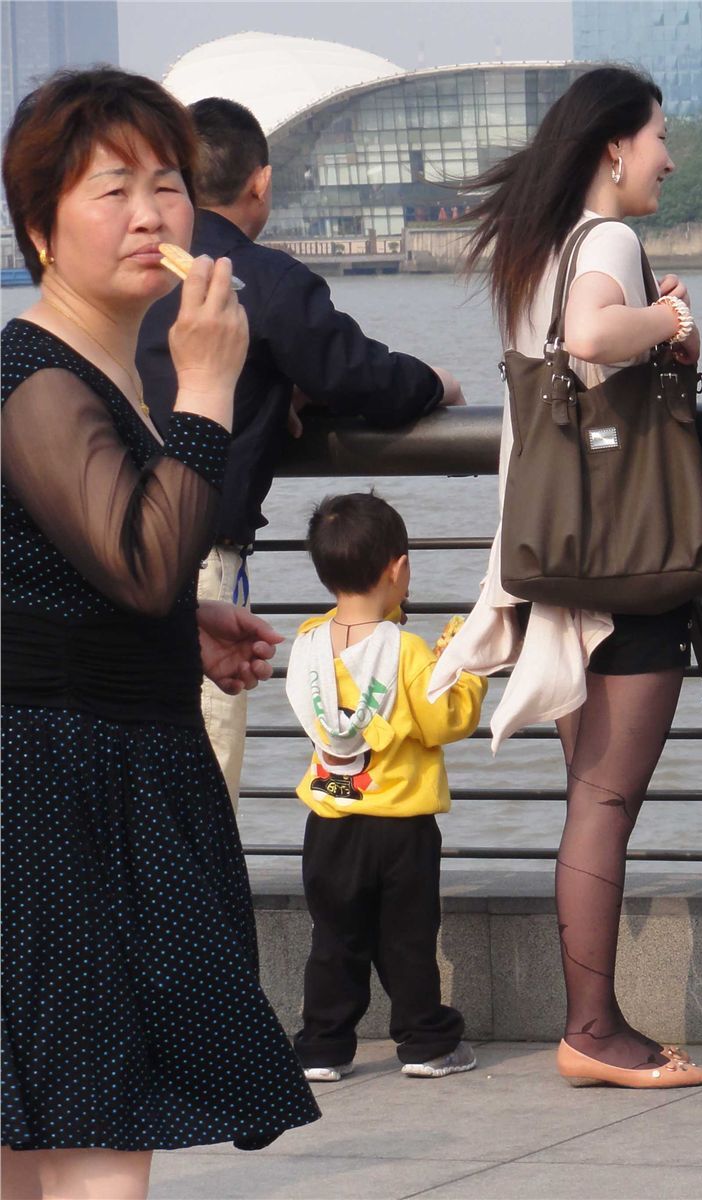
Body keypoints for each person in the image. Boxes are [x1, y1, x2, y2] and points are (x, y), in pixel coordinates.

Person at [1, 68, 320, 1198]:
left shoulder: (90, 367)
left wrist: (184, 629)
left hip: (98, 764)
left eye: (169, 186)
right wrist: (208, 384)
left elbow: (60, 577)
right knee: (92, 1126)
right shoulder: (37, 378)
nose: (150, 215)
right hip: (56, 787)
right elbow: (139, 562)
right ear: (39, 227)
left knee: (40, 1121)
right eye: (111, 189)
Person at [436, 65, 702, 1089]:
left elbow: (569, 350)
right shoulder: (606, 242)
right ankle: (591, 1028)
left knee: (584, 797)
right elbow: (596, 341)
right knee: (604, 802)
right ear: (611, 148)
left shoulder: (537, 251)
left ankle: (593, 1022)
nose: (669, 158)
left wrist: (651, 320)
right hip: (624, 560)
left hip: (553, 553)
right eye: (658, 138)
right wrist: (673, 325)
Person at [135, 97, 467, 809]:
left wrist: (274, 383)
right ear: (261, 182)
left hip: (102, 546)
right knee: (201, 775)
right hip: (199, 556)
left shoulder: (135, 276)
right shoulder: (263, 281)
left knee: (122, 772)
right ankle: (195, 916)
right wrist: (436, 384)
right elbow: (361, 376)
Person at [285, 492, 485, 1083]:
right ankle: (425, 1043)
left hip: (329, 824)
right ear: (397, 568)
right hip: (401, 828)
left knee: (335, 938)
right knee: (407, 940)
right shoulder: (409, 652)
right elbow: (445, 722)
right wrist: (464, 668)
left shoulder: (308, 643)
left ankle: (322, 1047)